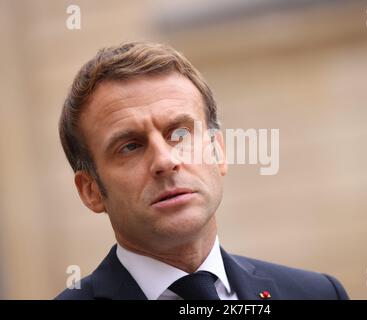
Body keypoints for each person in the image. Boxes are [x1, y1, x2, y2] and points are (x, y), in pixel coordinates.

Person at [55, 41, 349, 300]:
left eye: (180, 134)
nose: (165, 161)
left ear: (218, 151)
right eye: (130, 146)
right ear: (91, 191)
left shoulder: (317, 293)